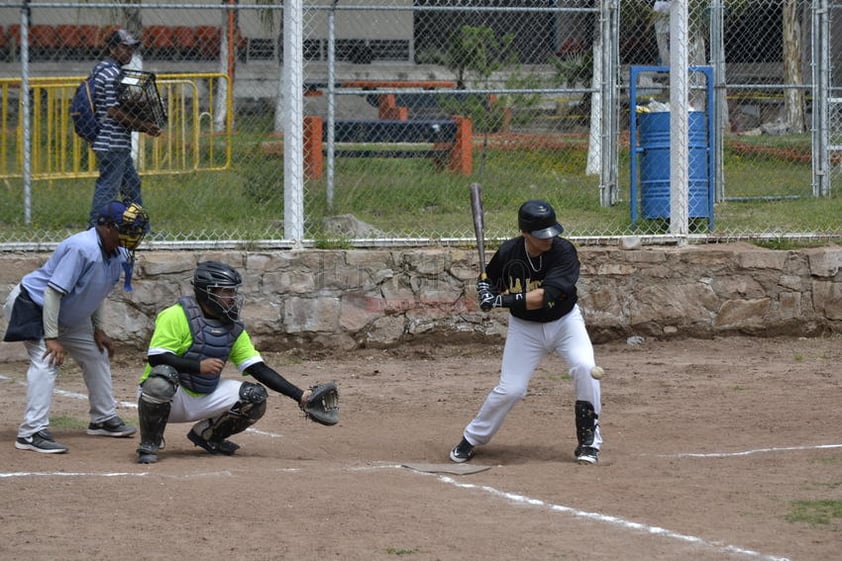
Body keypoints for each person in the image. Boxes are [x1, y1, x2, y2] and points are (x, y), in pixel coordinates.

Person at [449, 200, 603, 465]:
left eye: (553, 232)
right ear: (525, 234)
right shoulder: (509, 252)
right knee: (511, 389)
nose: (550, 239)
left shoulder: (564, 252)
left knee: (585, 368)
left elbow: (544, 297)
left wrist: (500, 301)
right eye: (542, 235)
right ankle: (471, 439)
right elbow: (490, 282)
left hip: (565, 323)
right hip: (525, 330)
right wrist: (486, 291)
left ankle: (589, 443)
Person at [3, 201, 150, 454]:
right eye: (125, 228)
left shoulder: (121, 253)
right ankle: (31, 433)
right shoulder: (81, 247)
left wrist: (98, 329)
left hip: (66, 312)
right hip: (34, 305)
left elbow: (96, 292)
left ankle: (102, 419)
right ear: (105, 227)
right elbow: (52, 293)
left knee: (97, 353)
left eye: (134, 229)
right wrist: (51, 337)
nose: (132, 234)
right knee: (47, 360)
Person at [135, 261, 315, 464]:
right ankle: (150, 443)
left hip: (205, 396)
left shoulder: (232, 326)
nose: (232, 298)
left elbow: (257, 368)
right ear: (206, 292)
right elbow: (156, 356)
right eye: (226, 292)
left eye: (233, 292)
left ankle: (208, 435)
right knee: (161, 378)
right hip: (169, 398)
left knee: (254, 397)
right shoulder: (175, 315)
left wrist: (299, 395)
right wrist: (198, 366)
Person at [88, 28, 162, 228]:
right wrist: (144, 125)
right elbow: (113, 111)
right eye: (124, 48)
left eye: (132, 49)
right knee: (108, 189)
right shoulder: (112, 73)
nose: (129, 53)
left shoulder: (102, 68)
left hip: (110, 141)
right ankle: (94, 231)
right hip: (112, 142)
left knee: (131, 184)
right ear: (112, 48)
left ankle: (138, 228)